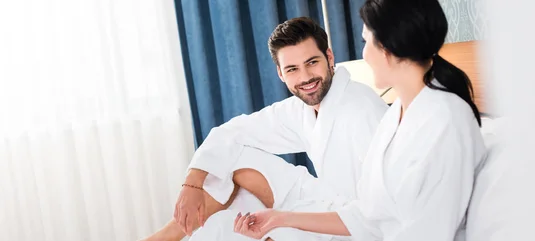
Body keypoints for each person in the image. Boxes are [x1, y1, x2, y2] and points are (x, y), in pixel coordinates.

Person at [233, 0, 486, 240]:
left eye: (366, 41)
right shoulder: (398, 115)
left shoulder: (446, 123)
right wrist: (280, 219)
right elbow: (368, 217)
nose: (364, 54)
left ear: (388, 48)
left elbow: (429, 232)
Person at [141, 17, 389, 241]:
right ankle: (163, 238)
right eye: (292, 69)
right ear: (281, 73)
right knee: (234, 159)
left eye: (312, 62)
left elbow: (383, 211)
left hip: (355, 228)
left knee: (229, 224)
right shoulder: (301, 110)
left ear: (329, 57)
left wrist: (282, 220)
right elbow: (232, 133)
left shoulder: (362, 110)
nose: (305, 78)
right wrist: (191, 184)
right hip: (324, 203)